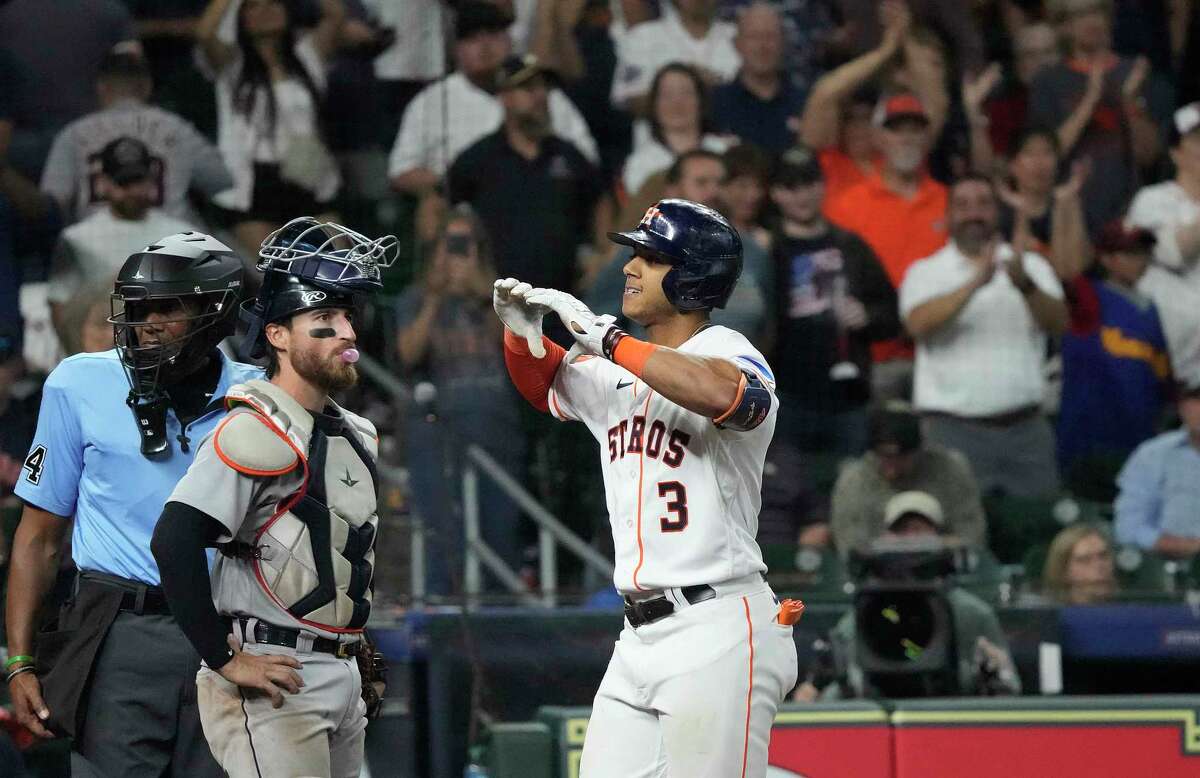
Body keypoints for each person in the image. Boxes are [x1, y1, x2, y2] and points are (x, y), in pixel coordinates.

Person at [495, 199, 799, 776]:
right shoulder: (619, 368)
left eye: (651, 257)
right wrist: (522, 337)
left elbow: (725, 396)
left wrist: (608, 341)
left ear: (689, 276)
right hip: (638, 635)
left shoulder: (727, 349)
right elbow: (547, 386)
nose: (630, 267)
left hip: (718, 624)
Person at [150, 217, 395, 778]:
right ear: (278, 335)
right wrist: (224, 659)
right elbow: (173, 542)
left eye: (347, 318)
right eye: (324, 320)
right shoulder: (254, 428)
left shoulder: (356, 431)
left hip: (339, 672)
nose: (346, 334)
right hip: (275, 673)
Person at [6, 232, 255, 776]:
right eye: (141, 308)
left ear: (215, 313)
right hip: (119, 632)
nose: (148, 322)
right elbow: (38, 537)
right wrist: (19, 662)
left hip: (234, 630)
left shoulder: (261, 397)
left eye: (168, 308)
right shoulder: (78, 382)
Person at [900, 174, 1067, 498]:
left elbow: (1059, 323)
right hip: (952, 432)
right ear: (947, 216)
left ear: (997, 212)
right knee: (958, 538)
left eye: (983, 204)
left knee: (1036, 531)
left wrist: (1025, 284)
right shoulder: (926, 271)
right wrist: (976, 282)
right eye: (962, 206)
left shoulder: (1029, 266)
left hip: (1026, 431)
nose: (973, 214)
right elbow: (918, 324)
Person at [396, 206, 527, 593]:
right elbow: (408, 353)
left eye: (463, 244)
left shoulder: (502, 297)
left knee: (500, 529)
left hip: (495, 422)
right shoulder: (416, 297)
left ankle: (499, 619)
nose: (454, 254)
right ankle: (442, 612)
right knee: (444, 532)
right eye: (448, 244)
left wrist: (483, 291)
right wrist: (435, 297)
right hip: (440, 427)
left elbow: (519, 346)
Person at [387, 0, 597, 240]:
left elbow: (586, 160)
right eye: (472, 38)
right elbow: (401, 171)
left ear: (510, 40)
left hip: (542, 212)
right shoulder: (432, 101)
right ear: (456, 48)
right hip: (466, 220)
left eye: (494, 34)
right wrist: (475, 182)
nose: (485, 46)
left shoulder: (545, 96)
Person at [819, 491, 1020, 700]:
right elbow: (840, 691)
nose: (911, 538)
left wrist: (992, 677)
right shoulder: (863, 613)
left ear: (939, 537)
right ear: (887, 538)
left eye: (920, 529)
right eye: (902, 530)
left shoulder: (973, 614)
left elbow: (1009, 687)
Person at [769, 145, 899, 456]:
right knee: (785, 495)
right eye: (791, 186)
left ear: (823, 185)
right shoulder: (767, 250)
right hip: (785, 396)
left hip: (848, 399)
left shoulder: (851, 246)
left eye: (809, 183)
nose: (802, 195)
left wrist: (868, 315)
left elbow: (892, 315)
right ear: (775, 193)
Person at [825, 91, 949, 401]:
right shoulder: (847, 205)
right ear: (878, 137)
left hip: (940, 352)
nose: (906, 138)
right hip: (875, 354)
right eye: (896, 129)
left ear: (928, 138)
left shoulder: (951, 202)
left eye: (915, 130)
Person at [196, 0, 346, 253]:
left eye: (274, 3)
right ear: (241, 18)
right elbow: (205, 33)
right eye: (255, 6)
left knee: (342, 267)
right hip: (256, 186)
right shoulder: (232, 64)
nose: (267, 10)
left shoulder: (308, 55)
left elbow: (336, 15)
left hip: (308, 176)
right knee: (278, 273)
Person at [447, 55, 605, 294]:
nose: (540, 96)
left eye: (543, 88)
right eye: (528, 88)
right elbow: (440, 207)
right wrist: (465, 267)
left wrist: (601, 255)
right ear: (505, 97)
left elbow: (600, 201)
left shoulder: (569, 155)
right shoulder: (479, 158)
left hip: (565, 300)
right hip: (496, 301)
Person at [1028, 0, 1173, 237]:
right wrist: (1089, 102)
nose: (1091, 21)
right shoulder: (1048, 82)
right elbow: (1047, 157)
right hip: (1073, 216)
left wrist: (1129, 101)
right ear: (1063, 26)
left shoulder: (1136, 71)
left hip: (1132, 217)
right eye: (1079, 14)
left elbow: (1150, 155)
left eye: (1096, 10)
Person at [39, 51, 231, 225]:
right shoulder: (176, 128)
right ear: (147, 87)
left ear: (101, 88)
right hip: (170, 248)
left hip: (96, 249)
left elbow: (52, 203)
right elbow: (223, 181)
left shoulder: (73, 133)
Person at [1057, 222, 1170, 497]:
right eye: (1129, 253)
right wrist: (1067, 201)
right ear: (1106, 259)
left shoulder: (1149, 307)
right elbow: (1067, 270)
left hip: (1137, 437)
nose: (1139, 260)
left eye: (1142, 252)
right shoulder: (1089, 298)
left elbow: (1163, 380)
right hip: (1089, 440)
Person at [46, 136, 195, 337]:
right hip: (104, 344)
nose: (133, 191)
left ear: (152, 178)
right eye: (124, 182)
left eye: (138, 180)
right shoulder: (76, 238)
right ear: (103, 182)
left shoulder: (182, 235)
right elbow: (60, 303)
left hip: (169, 345)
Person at [830, 403, 985, 558]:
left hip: (944, 568)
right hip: (877, 573)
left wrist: (933, 545)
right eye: (885, 458)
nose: (892, 468)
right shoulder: (854, 481)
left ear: (919, 450)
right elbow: (850, 549)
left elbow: (973, 538)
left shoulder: (951, 470)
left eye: (901, 458)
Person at [1127, 102, 1200, 380]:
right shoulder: (1153, 200)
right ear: (1176, 153)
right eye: (1198, 141)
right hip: (1167, 370)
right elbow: (1175, 253)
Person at [1114, 376, 1200, 559]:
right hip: (1167, 568)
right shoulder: (1152, 455)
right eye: (1196, 399)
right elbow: (1127, 528)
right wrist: (1187, 546)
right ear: (1182, 407)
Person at [610, 0, 740, 114]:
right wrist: (690, 86)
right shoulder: (643, 36)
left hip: (734, 136)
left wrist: (719, 90)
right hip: (659, 141)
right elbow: (633, 102)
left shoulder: (740, 35)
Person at [621, 62, 731, 198]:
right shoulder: (640, 164)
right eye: (667, 95)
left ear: (700, 101)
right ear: (654, 105)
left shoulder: (726, 151)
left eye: (686, 93)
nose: (677, 103)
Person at [710, 3, 805, 154]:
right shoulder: (714, 104)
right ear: (737, 44)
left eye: (770, 36)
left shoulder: (805, 103)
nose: (762, 46)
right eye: (753, 37)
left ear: (784, 42)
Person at [1041, 522, 1117, 604]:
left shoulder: (1129, 608)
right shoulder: (1046, 613)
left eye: (1103, 556)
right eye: (1085, 560)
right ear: (1063, 570)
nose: (1099, 566)